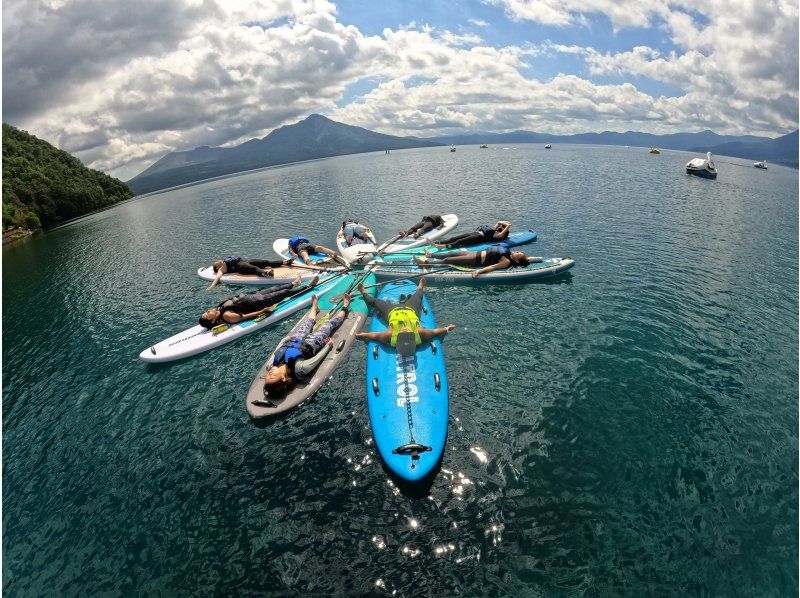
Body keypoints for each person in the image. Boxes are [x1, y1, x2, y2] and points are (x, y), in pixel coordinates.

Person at [260, 293, 351, 399]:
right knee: (328, 325)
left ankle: (314, 307)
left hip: (294, 340)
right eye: (272, 377)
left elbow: (277, 350)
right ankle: (345, 306)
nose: (269, 374)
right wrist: (327, 345)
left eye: (267, 377)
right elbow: (317, 359)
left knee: (308, 322)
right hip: (312, 343)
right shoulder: (300, 369)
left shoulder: (270, 365)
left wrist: (283, 341)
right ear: (283, 378)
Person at [355, 278, 455, 350]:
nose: (405, 329)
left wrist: (363, 335)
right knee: (419, 295)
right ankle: (420, 286)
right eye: (408, 332)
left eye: (402, 332)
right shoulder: (421, 333)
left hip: (392, 311)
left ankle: (364, 292)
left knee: (374, 302)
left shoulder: (388, 335)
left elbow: (375, 336)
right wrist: (447, 328)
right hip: (411, 310)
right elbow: (435, 332)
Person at [198, 275, 317, 330]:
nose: (209, 310)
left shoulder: (219, 310)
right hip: (259, 303)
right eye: (208, 313)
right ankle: (308, 287)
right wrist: (263, 311)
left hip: (253, 297)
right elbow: (244, 317)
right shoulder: (226, 315)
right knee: (283, 293)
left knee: (275, 288)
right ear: (213, 320)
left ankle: (294, 283)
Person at [414, 247, 535, 279]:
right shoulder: (507, 253)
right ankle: (431, 255)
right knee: (451, 253)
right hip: (474, 253)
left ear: (518, 260)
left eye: (519, 253)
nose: (517, 251)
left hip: (474, 260)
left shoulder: (506, 261)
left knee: (448, 261)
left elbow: (493, 267)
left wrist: (478, 271)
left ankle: (426, 263)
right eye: (519, 250)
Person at [206, 256, 292, 289]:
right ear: (217, 267)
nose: (217, 260)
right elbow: (217, 277)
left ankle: (285, 262)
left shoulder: (224, 262)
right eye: (215, 262)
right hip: (241, 267)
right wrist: (211, 286)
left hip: (246, 261)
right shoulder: (222, 269)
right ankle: (267, 274)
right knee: (255, 268)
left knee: (266, 261)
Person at [430, 221, 511, 249]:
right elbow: (499, 222)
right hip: (475, 233)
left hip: (478, 237)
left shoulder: (499, 235)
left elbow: (509, 225)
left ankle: (442, 247)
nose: (501, 227)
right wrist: (502, 223)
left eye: (502, 228)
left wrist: (505, 225)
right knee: (454, 238)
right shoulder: (495, 230)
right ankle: (437, 242)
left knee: (459, 242)